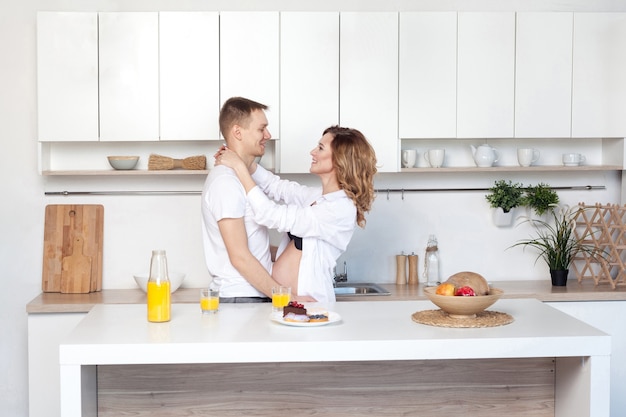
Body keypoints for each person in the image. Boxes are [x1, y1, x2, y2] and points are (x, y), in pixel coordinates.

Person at [215, 125, 377, 302]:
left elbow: (270, 214)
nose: (312, 152)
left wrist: (239, 167)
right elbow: (277, 187)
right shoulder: (319, 197)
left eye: (320, 148)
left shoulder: (339, 209)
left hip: (308, 302)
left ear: (340, 160)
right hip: (288, 302)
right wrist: (245, 161)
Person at [201, 96, 294, 302]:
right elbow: (240, 257)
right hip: (241, 299)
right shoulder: (226, 183)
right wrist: (288, 298)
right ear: (237, 132)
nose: (268, 135)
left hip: (249, 296)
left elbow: (252, 246)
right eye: (262, 129)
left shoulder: (239, 177)